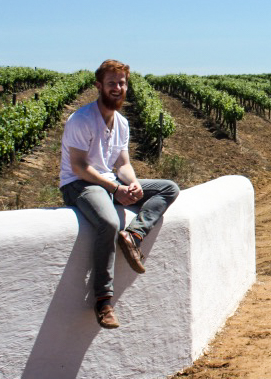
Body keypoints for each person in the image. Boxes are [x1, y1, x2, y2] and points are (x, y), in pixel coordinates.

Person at [59, 59, 180, 329]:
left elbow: (122, 164)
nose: (118, 87)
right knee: (109, 222)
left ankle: (134, 235)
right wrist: (115, 188)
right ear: (99, 86)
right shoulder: (81, 119)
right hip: (79, 185)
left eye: (122, 83)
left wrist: (133, 184)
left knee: (168, 188)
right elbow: (79, 167)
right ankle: (103, 301)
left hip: (108, 181)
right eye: (112, 83)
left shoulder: (122, 123)